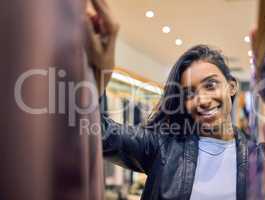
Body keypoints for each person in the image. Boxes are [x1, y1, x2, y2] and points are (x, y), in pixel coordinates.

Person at [86, 0, 250, 199]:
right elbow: (98, 132)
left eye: (210, 85)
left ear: (231, 86)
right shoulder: (163, 147)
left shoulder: (259, 160)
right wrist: (99, 73)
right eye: (190, 93)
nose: (203, 100)